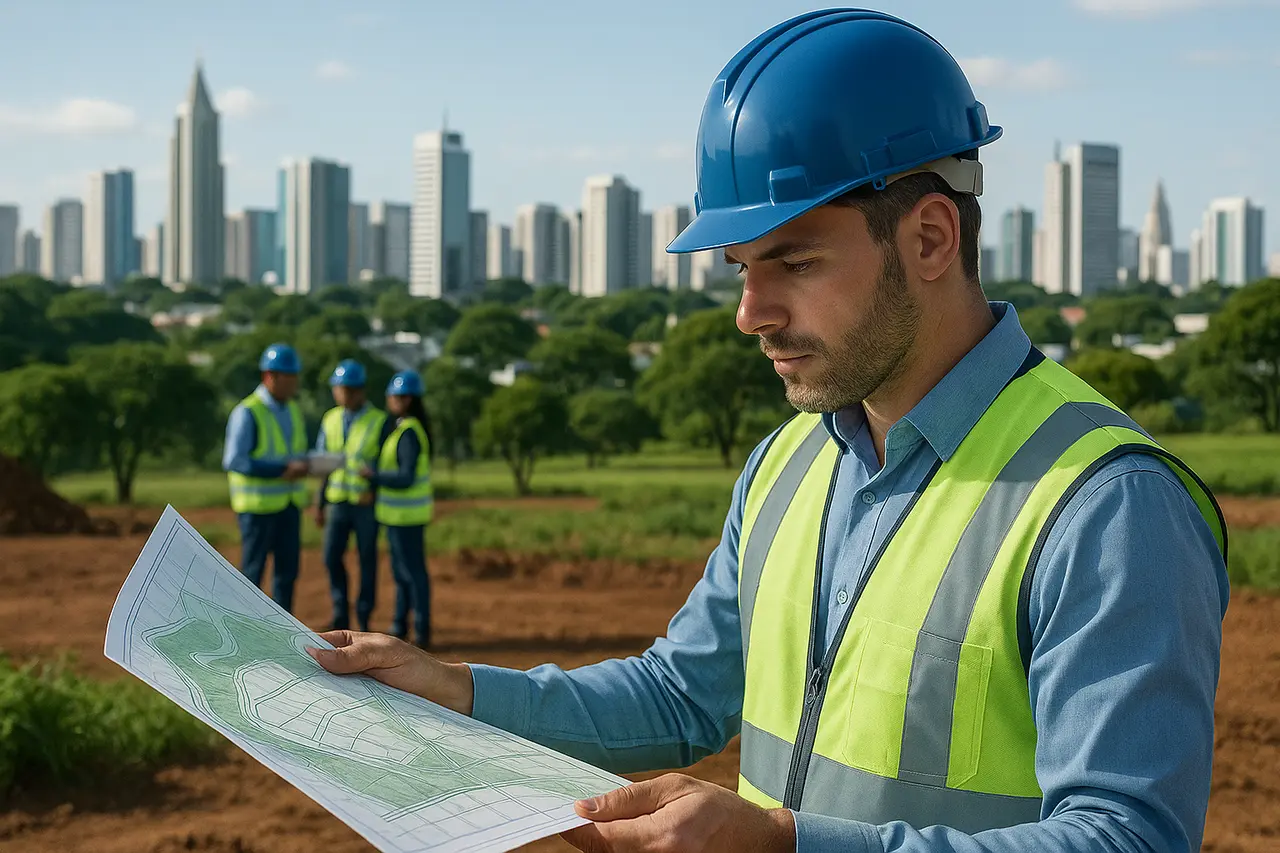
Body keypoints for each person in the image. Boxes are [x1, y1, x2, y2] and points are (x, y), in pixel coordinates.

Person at [310, 9, 1230, 853]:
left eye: (793, 261)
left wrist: (790, 846)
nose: (750, 312)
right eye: (742, 267)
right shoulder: (789, 462)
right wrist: (460, 692)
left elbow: (1127, 836)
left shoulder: (1104, 501)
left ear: (931, 238)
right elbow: (682, 694)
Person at [223, 342, 310, 613]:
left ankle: (282, 637)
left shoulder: (293, 410)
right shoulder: (247, 411)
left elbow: (295, 451)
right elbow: (235, 460)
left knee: (287, 574)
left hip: (288, 506)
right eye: (289, 378)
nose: (294, 384)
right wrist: (281, 471)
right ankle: (245, 634)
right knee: (252, 576)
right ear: (270, 376)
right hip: (257, 510)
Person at [358, 370, 435, 649]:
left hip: (406, 517)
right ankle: (400, 623)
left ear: (410, 400)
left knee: (413, 573)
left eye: (399, 396)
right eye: (393, 395)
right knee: (403, 573)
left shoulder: (409, 433)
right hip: (396, 516)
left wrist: (373, 475)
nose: (393, 400)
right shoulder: (402, 428)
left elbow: (405, 477)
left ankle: (422, 628)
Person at [315, 359, 388, 633]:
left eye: (348, 389)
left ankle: (365, 616)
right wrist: (319, 503)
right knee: (331, 557)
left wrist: (374, 489)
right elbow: (324, 464)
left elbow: (385, 461)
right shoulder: (330, 418)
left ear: (360, 391)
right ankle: (340, 612)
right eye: (339, 388)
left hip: (365, 504)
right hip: (337, 502)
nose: (343, 394)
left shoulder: (379, 420)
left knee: (367, 559)